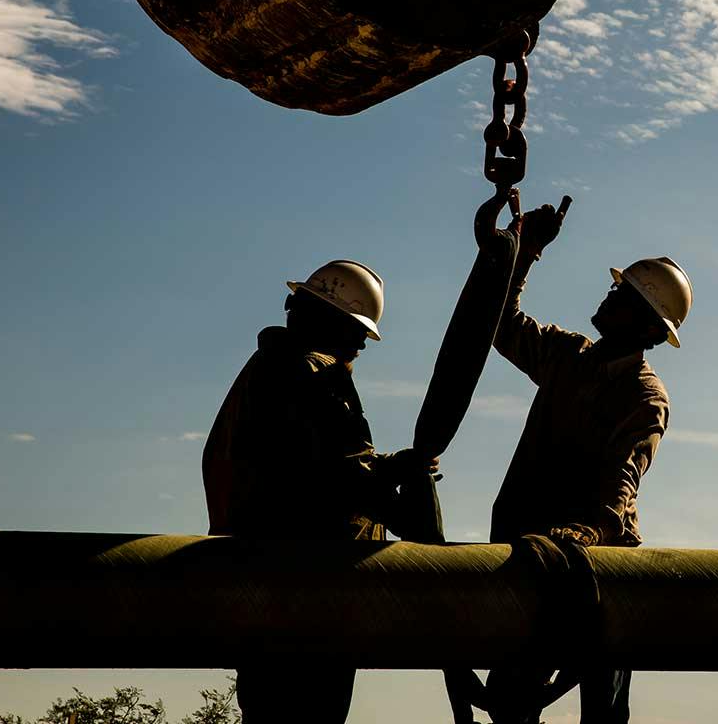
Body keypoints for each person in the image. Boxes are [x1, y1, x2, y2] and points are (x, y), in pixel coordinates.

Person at [202, 260, 437, 724]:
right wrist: (401, 484)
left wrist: (389, 468)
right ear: (332, 323)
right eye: (356, 335)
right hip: (313, 588)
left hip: (256, 580)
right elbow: (339, 478)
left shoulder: (264, 371)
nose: (357, 349)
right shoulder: (315, 375)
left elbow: (301, 462)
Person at [487, 200, 690, 724]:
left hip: (596, 564)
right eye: (616, 289)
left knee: (602, 710)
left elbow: (625, 473)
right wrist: (525, 253)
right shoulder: (567, 355)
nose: (608, 296)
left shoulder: (644, 396)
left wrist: (594, 528)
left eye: (622, 296)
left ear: (648, 328)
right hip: (528, 546)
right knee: (512, 700)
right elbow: (500, 323)